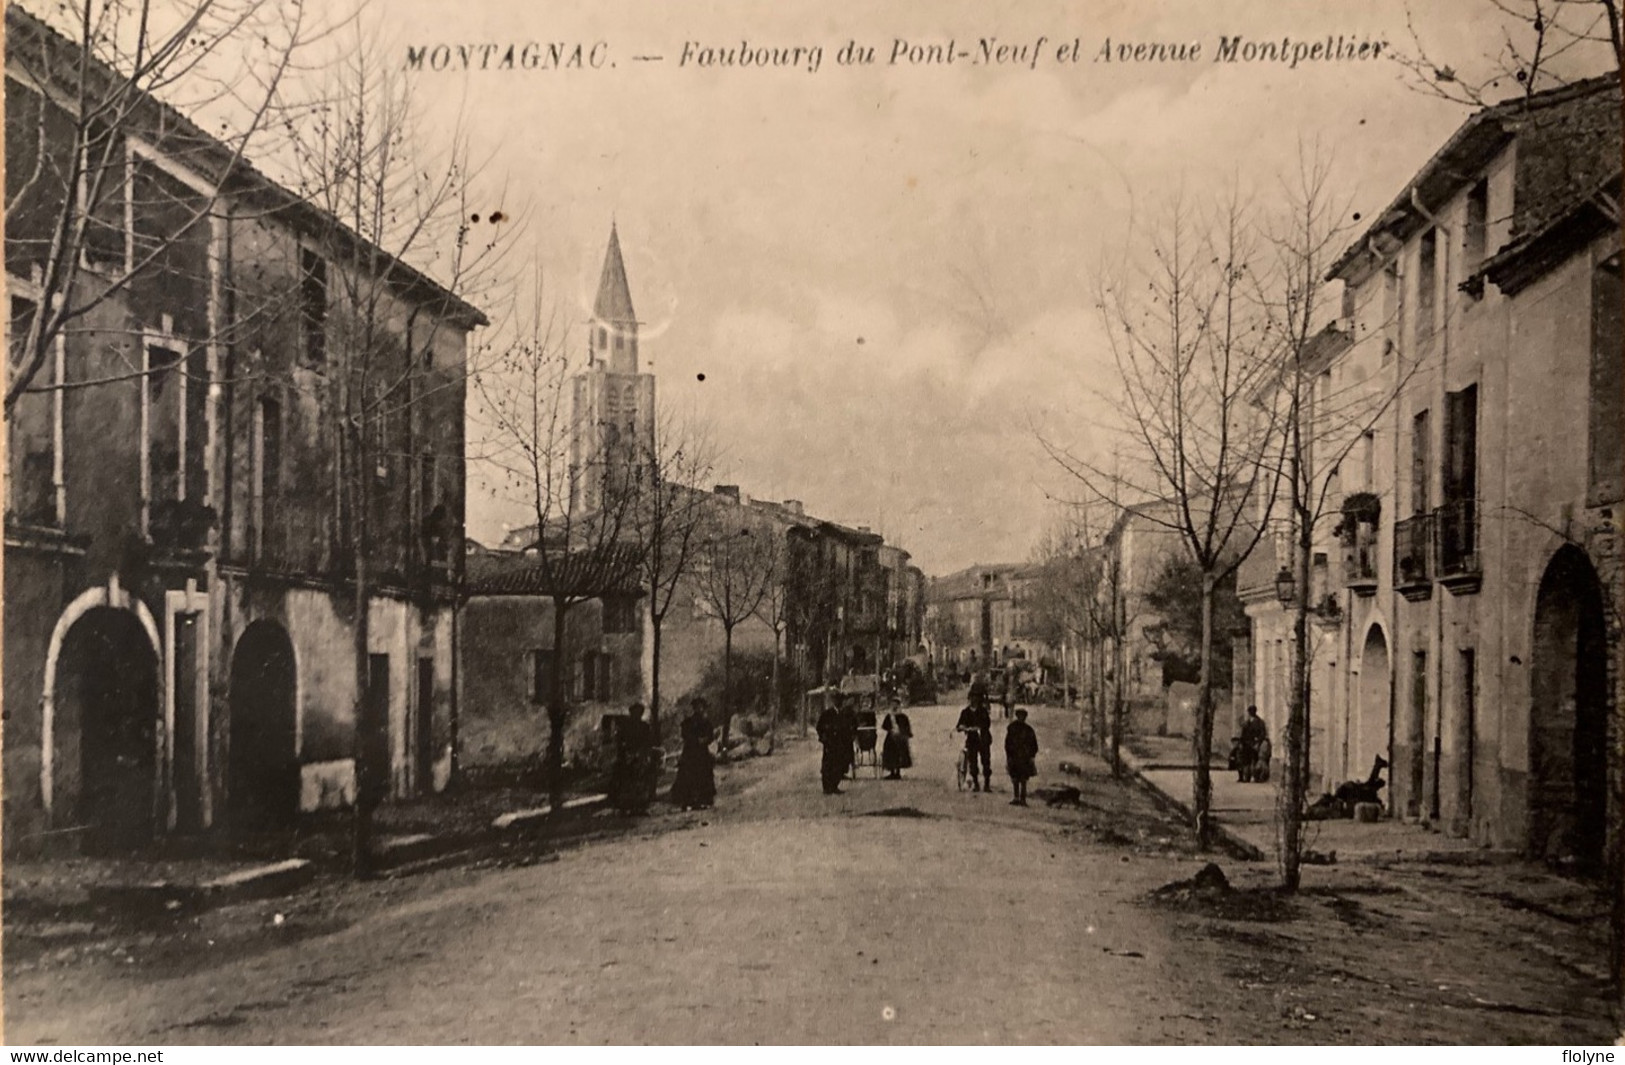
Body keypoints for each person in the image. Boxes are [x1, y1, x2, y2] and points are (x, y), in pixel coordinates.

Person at [669, 698, 717, 810]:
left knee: (704, 774)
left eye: (701, 707)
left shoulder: (706, 723)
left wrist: (705, 740)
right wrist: (696, 740)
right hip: (690, 752)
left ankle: (703, 799)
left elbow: (710, 736)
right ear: (694, 708)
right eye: (696, 707)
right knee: (688, 775)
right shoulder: (688, 722)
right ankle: (688, 800)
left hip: (702, 752)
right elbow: (685, 735)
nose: (699, 709)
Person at [613, 703, 656, 815]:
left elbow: (648, 742)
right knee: (627, 782)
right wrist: (626, 752)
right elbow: (619, 742)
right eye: (635, 712)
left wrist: (641, 753)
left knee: (641, 783)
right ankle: (626, 807)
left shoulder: (644, 727)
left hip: (640, 757)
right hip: (627, 758)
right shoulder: (625, 727)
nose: (637, 715)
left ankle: (640, 807)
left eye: (639, 713)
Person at [816, 697, 854, 795]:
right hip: (830, 742)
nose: (840, 704)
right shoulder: (827, 713)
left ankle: (834, 786)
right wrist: (823, 738)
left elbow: (847, 728)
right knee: (828, 765)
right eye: (838, 701)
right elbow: (819, 726)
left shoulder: (843, 714)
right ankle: (827, 788)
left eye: (841, 702)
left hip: (840, 743)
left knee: (838, 764)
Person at [955, 699, 993, 792]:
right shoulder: (965, 712)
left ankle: (987, 784)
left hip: (983, 739)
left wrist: (978, 728)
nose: (974, 700)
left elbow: (987, 724)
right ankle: (976, 783)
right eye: (972, 697)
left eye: (976, 697)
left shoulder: (983, 711)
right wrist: (963, 727)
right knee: (973, 762)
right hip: (972, 740)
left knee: (986, 762)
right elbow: (959, 726)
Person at [1004, 708, 1039, 805]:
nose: (1021, 718)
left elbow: (1034, 745)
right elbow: (1007, 743)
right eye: (1019, 716)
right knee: (1015, 778)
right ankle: (1016, 797)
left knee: (1023, 779)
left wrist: (1032, 756)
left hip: (1025, 757)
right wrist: (1008, 756)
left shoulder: (1029, 730)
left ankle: (1023, 798)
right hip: (1014, 756)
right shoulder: (1012, 728)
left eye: (1023, 716)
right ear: (1017, 716)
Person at [881, 700, 913, 780]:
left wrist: (903, 733)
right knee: (890, 753)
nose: (894, 706)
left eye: (895, 704)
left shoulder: (903, 716)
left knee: (899, 753)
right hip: (891, 737)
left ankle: (897, 772)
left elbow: (906, 727)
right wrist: (891, 729)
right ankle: (892, 771)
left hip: (900, 738)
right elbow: (884, 726)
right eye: (892, 704)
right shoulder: (889, 716)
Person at [1239, 705, 1268, 783]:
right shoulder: (1246, 722)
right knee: (1246, 761)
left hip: (1255, 744)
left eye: (1252, 711)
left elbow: (1263, 734)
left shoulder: (1260, 722)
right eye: (1250, 711)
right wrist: (1241, 743)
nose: (1250, 713)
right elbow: (1243, 734)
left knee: (1255, 760)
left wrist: (1258, 742)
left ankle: (1256, 777)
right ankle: (1246, 777)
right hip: (1246, 744)